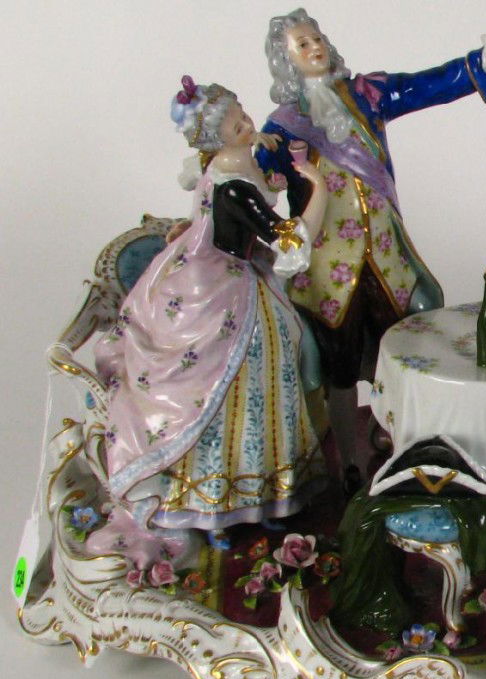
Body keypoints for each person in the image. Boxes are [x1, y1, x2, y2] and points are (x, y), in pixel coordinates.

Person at [257, 7, 486, 495]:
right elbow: (255, 188)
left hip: (388, 257)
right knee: (340, 363)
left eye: (317, 37)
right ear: (287, 61)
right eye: (302, 45)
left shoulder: (367, 93)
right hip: (328, 269)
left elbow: (428, 84)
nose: (315, 47)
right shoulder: (282, 126)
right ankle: (348, 462)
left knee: (405, 349)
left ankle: (397, 441)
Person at [90, 77, 329, 563]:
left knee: (277, 358)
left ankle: (262, 493)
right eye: (237, 126)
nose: (248, 125)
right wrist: (318, 187)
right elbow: (290, 241)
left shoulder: (229, 164)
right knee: (233, 385)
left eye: (243, 116)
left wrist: (260, 145)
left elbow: (252, 178)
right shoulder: (235, 187)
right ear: (214, 141)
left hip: (221, 271)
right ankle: (213, 505)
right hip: (224, 290)